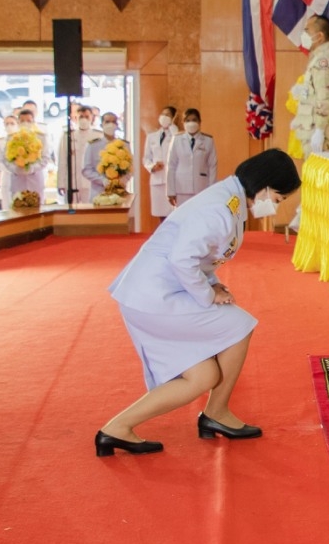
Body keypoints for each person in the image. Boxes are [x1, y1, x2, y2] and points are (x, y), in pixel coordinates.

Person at [96, 149, 301, 454]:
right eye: (278, 199)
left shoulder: (228, 200)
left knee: (203, 376)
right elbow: (182, 259)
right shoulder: (220, 209)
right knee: (240, 324)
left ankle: (116, 429)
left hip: (152, 293)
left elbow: (200, 258)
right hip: (155, 295)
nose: (274, 206)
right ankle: (217, 413)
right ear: (265, 186)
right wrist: (209, 295)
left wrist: (214, 284)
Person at [289, 15, 329, 158]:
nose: (303, 35)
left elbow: (325, 98)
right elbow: (315, 91)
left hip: (317, 132)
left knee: (317, 176)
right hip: (310, 128)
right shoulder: (317, 57)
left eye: (307, 31)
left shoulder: (323, 61)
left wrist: (320, 130)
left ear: (319, 36)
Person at [165, 108, 217, 207]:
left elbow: (212, 166)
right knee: (183, 219)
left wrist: (212, 190)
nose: (191, 123)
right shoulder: (177, 140)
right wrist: (170, 191)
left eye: (194, 120)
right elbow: (171, 166)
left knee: (200, 217)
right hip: (181, 188)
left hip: (202, 188)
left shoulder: (208, 140)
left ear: (200, 122)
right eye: (188, 120)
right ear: (183, 123)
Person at [2, 105, 46, 209]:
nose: (25, 123)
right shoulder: (12, 138)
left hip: (35, 179)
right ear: (18, 122)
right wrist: (16, 168)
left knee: (36, 211)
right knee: (17, 210)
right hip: (18, 179)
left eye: (28, 120)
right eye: (22, 121)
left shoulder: (41, 137)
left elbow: (45, 158)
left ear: (33, 121)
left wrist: (32, 168)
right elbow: (6, 159)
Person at [141, 106, 179, 228]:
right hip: (157, 179)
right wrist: (152, 166)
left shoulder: (176, 135)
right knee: (160, 213)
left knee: (173, 212)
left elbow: (179, 150)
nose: (164, 117)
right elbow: (146, 158)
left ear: (173, 118)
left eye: (168, 115)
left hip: (172, 179)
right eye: (162, 114)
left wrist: (174, 127)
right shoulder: (152, 136)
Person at [62, 104, 102, 206]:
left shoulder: (98, 136)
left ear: (92, 118)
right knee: (70, 211)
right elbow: (62, 160)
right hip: (72, 181)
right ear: (76, 118)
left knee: (90, 210)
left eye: (87, 117)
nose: (84, 119)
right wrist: (61, 183)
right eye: (81, 117)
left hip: (91, 182)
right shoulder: (68, 135)